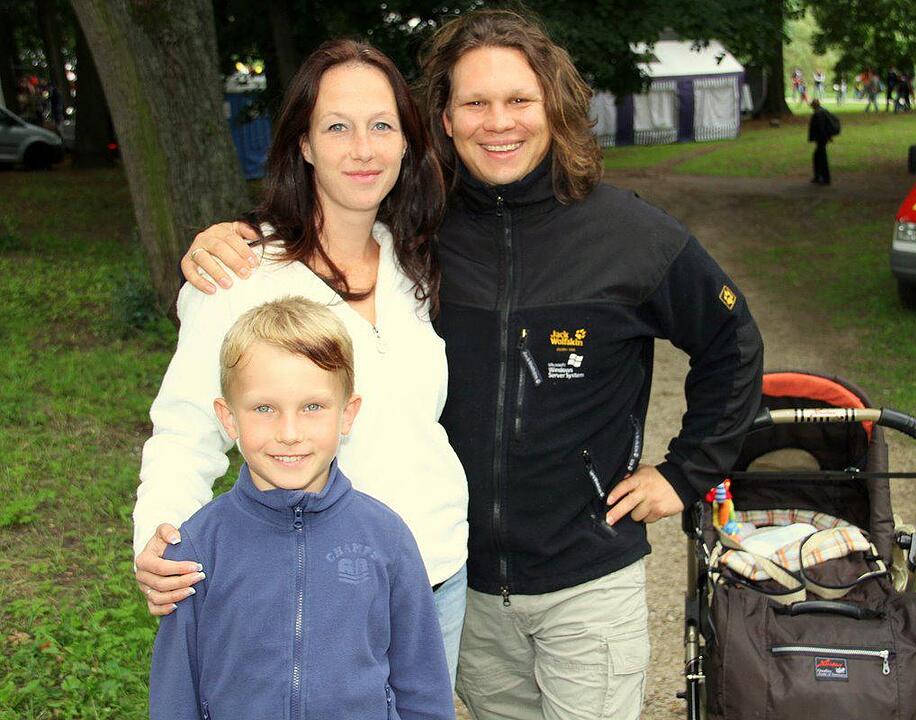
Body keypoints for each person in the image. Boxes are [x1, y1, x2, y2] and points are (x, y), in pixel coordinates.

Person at [182, 9, 764, 720]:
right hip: (465, 585)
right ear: (446, 121)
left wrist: (686, 472)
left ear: (554, 106)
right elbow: (330, 216)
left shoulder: (631, 234)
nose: (499, 122)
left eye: (519, 100)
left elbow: (732, 342)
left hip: (587, 582)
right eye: (475, 103)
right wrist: (238, 240)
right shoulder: (420, 232)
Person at [132, 39, 470, 682]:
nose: (363, 149)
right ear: (304, 145)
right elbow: (183, 429)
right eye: (337, 127)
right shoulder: (243, 274)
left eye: (381, 126)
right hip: (314, 589)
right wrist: (161, 537)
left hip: (436, 577)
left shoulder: (413, 260)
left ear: (406, 142)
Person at [149, 297, 454, 720]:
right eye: (264, 409)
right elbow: (174, 692)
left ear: (347, 414)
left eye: (312, 407)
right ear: (229, 417)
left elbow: (423, 686)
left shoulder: (387, 538)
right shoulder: (200, 546)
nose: (289, 433)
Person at [809, 98, 833, 185]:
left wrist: (821, 138)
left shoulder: (818, 114)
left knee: (821, 158)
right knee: (818, 157)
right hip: (823, 139)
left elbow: (821, 127)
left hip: (821, 139)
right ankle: (818, 176)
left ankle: (824, 178)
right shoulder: (822, 111)